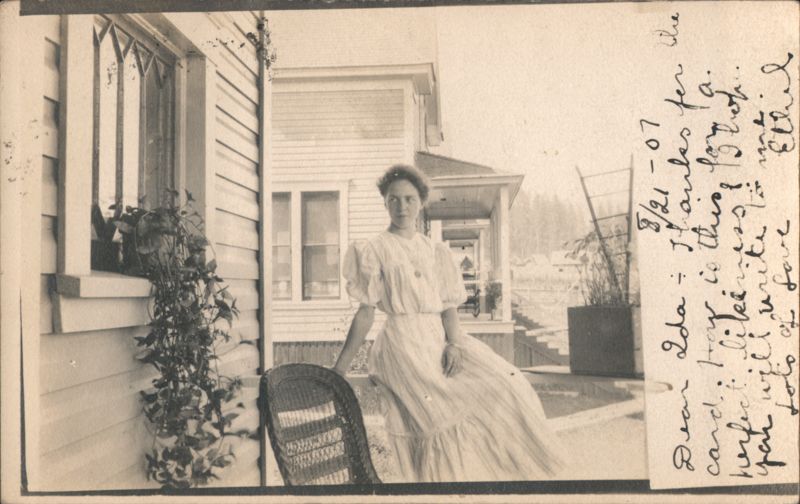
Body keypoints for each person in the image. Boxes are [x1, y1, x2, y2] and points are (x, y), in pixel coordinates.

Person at [333, 164, 565, 482]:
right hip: (403, 345)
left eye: (409, 199)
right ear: (385, 202)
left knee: (504, 384)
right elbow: (366, 313)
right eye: (394, 199)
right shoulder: (374, 250)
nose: (402, 207)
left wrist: (454, 344)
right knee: (435, 419)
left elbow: (448, 307)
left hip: (438, 339)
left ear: (421, 202)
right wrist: (340, 368)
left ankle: (509, 475)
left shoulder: (435, 250)